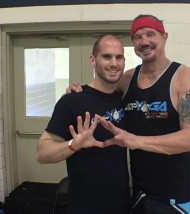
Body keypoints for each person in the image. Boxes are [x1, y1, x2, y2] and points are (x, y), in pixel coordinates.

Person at [68, 14, 190, 214]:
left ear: (164, 37)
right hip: (137, 193)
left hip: (174, 195)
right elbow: (100, 94)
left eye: (151, 34)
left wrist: (135, 141)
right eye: (138, 37)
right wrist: (77, 91)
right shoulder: (127, 79)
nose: (144, 41)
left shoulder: (186, 78)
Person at [36, 34, 130, 214]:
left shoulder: (124, 99)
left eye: (119, 57)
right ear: (93, 60)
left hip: (122, 204)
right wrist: (74, 145)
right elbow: (42, 153)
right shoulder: (72, 102)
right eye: (106, 56)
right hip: (84, 206)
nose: (114, 63)